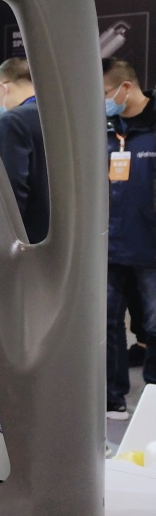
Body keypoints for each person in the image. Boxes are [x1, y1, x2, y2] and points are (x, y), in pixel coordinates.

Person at [103, 56, 156, 419]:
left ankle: (152, 396)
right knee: (106, 322)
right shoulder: (107, 129)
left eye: (105, 93)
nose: (103, 101)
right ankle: (112, 396)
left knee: (154, 325)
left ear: (126, 87)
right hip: (109, 246)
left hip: (151, 249)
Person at [0, 57, 49, 244]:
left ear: (2, 88)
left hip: (31, 243)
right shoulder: (64, 117)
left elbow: (11, 189)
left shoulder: (14, 121)